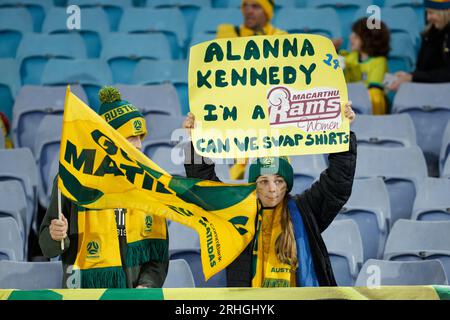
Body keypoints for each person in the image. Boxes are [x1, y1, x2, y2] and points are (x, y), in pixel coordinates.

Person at [182, 103, 357, 287]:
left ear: (287, 184)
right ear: (254, 185)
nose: (272, 189)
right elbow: (204, 188)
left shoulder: (306, 211)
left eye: (279, 181)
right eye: (264, 181)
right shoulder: (235, 212)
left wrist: (343, 132)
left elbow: (338, 183)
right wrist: (195, 141)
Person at [39, 86, 169, 289]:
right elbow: (46, 245)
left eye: (140, 137)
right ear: (109, 142)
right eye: (131, 137)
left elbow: (158, 254)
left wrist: (146, 287)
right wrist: (56, 236)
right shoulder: (71, 180)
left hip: (135, 295)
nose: (139, 145)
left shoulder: (149, 182)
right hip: (83, 291)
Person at [389, 0, 450, 91]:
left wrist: (412, 77)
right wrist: (408, 76)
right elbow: (424, 70)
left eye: (431, 13)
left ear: (444, 13)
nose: (428, 18)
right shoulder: (430, 34)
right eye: (427, 13)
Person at [339, 18, 390, 115]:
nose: (351, 37)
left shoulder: (379, 62)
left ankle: (374, 123)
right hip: (349, 103)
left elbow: (374, 91)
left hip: (369, 106)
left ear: (369, 39)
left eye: (356, 36)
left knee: (375, 94)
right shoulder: (351, 57)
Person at [216, 0, 287, 39]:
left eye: (255, 6)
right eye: (245, 6)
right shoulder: (226, 32)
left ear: (267, 13)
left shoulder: (281, 36)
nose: (248, 11)